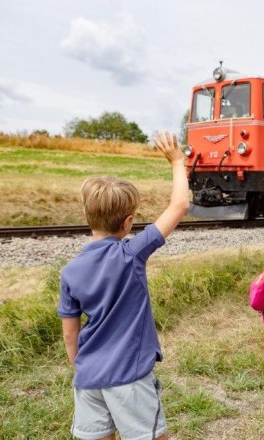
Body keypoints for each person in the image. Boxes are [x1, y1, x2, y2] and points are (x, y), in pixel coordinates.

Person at [58, 131, 189, 440]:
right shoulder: (132, 253)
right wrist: (177, 160)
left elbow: (69, 333)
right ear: (128, 223)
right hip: (128, 376)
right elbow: (180, 205)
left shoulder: (69, 271)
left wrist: (81, 368)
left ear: (85, 216)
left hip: (88, 378)